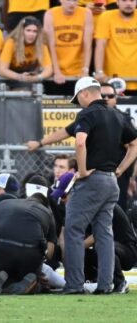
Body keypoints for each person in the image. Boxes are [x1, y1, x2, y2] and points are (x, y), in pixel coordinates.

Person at [62, 76, 137, 294]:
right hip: (111, 181)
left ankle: (74, 285)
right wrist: (121, 169)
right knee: (104, 233)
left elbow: (79, 141)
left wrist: (83, 170)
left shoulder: (87, 114)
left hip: (91, 180)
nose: (79, 104)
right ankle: (106, 285)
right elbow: (134, 144)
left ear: (85, 93)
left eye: (78, 99)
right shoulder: (118, 115)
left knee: (74, 230)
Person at [27, 82, 135, 212]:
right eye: (103, 95)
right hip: (105, 177)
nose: (106, 98)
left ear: (116, 97)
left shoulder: (119, 117)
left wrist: (122, 169)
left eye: (110, 95)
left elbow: (132, 144)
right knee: (103, 222)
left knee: (81, 220)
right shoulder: (92, 115)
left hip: (108, 176)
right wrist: (40, 143)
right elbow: (66, 131)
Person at [51, 171, 136, 294]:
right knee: (72, 250)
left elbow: (98, 235)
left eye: (64, 196)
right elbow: (65, 235)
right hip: (99, 246)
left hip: (125, 250)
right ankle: (88, 280)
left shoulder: (98, 202)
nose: (63, 200)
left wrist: (73, 249)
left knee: (98, 246)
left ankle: (119, 282)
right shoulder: (71, 206)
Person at [43, 0, 93, 95]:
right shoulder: (50, 14)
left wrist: (85, 69)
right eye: (68, 0)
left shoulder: (86, 13)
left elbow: (87, 44)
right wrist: (56, 71)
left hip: (78, 72)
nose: (72, 4)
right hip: (57, 71)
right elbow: (50, 46)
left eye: (75, 0)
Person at [0, 16, 52, 90]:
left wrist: (37, 77)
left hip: (31, 78)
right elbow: (2, 70)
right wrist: (19, 77)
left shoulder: (42, 45)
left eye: (35, 31)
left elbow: (49, 69)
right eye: (28, 30)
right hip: (12, 78)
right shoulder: (11, 43)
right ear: (22, 31)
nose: (31, 34)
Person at [94, 0, 137, 94]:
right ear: (117, 2)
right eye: (124, 0)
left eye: (132, 0)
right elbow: (100, 45)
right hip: (112, 80)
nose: (128, 4)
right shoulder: (106, 16)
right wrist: (99, 71)